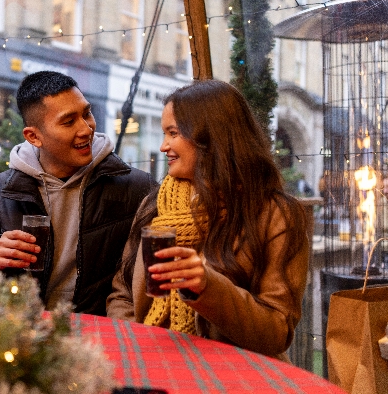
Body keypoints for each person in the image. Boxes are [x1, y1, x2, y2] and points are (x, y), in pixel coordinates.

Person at [107, 80, 309, 361]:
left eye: (173, 133)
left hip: (235, 375)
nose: (163, 146)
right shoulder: (154, 205)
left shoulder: (275, 214)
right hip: (155, 363)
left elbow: (278, 331)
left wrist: (208, 287)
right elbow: (121, 294)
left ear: (211, 137)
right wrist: (141, 347)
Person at [0, 71, 156, 315]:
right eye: (68, 121)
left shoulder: (137, 188)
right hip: (21, 335)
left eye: (87, 114)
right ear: (34, 136)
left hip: (102, 334)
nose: (86, 129)